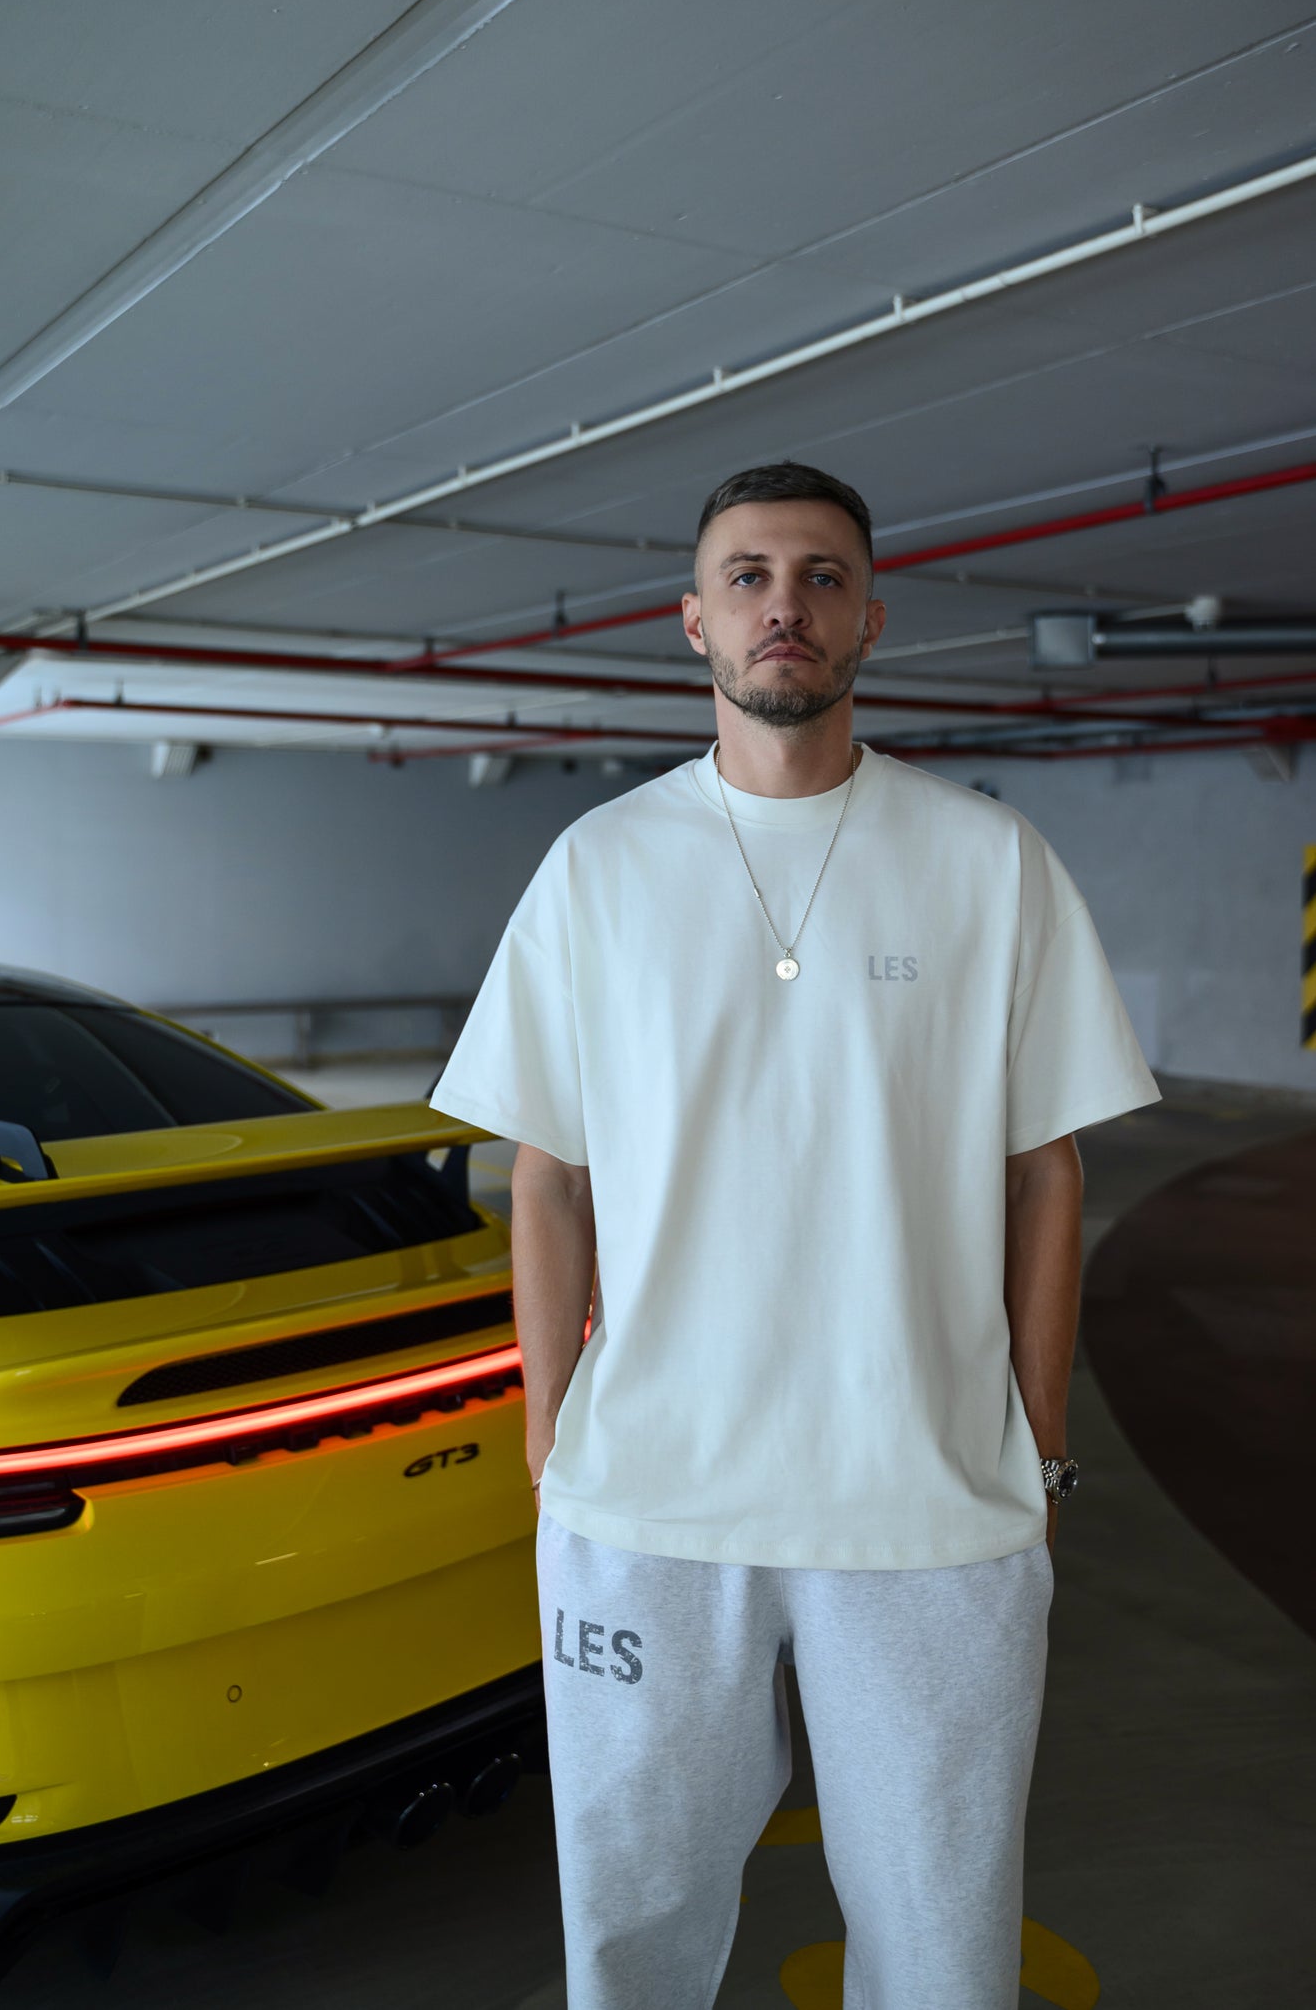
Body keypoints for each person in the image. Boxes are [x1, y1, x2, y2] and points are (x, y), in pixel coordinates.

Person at [430, 460, 1161, 2010]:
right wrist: (553, 1437)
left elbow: (1049, 1169)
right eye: (749, 574)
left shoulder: (986, 861)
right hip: (646, 1506)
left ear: (870, 621)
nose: (784, 602)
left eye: (820, 575)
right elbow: (543, 1173)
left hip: (926, 1499)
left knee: (944, 1935)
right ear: (693, 621)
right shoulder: (597, 872)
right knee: (629, 1922)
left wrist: (1032, 1439)